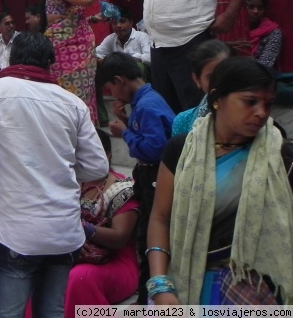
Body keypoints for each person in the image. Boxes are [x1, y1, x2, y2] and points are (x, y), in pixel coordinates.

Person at [0, 33, 109, 318]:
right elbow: (97, 167)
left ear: (12, 59)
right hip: (64, 233)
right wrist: (59, 165)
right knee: (51, 312)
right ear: (50, 63)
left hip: (19, 233)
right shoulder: (72, 102)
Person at [147, 57, 293, 305]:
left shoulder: (280, 156)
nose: (261, 113)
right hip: (191, 285)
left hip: (257, 291)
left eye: (268, 104)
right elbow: (160, 218)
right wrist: (160, 285)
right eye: (250, 102)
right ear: (217, 99)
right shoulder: (182, 150)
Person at [97, 52, 174, 304]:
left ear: (119, 80)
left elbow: (156, 149)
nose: (112, 94)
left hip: (156, 178)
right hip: (150, 177)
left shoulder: (148, 105)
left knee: (147, 239)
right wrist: (128, 122)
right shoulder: (147, 101)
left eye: (111, 87)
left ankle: (147, 300)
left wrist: (125, 133)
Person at [64, 129, 139, 317]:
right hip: (73, 252)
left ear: (106, 155)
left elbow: (120, 238)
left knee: (79, 278)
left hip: (115, 262)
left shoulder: (124, 188)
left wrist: (82, 230)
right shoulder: (70, 183)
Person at [41, 0, 101, 124]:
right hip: (70, 55)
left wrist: (94, 18)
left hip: (70, 51)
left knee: (75, 94)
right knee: (75, 94)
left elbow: (68, 23)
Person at [171, 39, 233, 136]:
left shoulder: (250, 114)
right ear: (197, 80)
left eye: (226, 73)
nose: (220, 82)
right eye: (211, 77)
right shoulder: (183, 122)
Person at [246, 0, 282, 69]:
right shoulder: (234, 30)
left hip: (258, 75)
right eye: (251, 7)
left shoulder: (273, 32)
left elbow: (265, 65)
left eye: (260, 7)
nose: (255, 11)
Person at [0, 11, 18, 78]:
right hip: (0, 78)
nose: (11, 26)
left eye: (12, 23)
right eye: (7, 24)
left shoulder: (21, 39)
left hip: (16, 78)